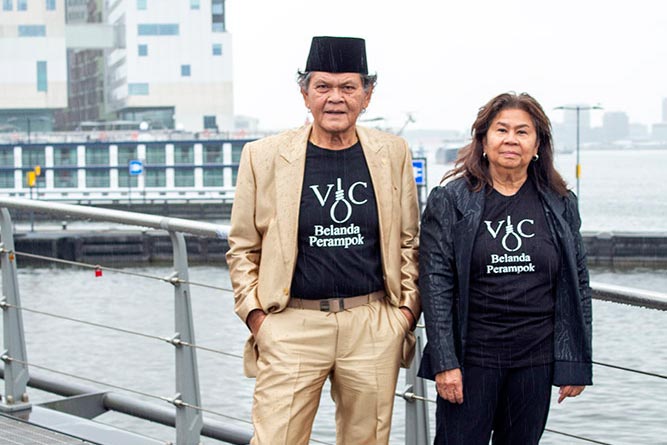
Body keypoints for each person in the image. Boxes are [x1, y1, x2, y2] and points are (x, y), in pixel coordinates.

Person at [226, 36, 420, 445]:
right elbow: (243, 247)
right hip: (291, 323)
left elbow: (409, 241)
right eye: (323, 87)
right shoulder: (263, 156)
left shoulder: (393, 153)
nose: (336, 98)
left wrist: (403, 314)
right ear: (305, 93)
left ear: (367, 96)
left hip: (372, 323)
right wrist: (257, 317)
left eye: (349, 87)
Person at [418, 92, 592, 445]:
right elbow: (435, 285)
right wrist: (444, 362)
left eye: (523, 132)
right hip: (470, 361)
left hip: (535, 361)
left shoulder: (560, 203)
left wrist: (576, 360)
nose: (511, 139)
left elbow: (579, 283)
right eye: (501, 130)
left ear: (538, 144)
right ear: (483, 140)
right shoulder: (451, 200)